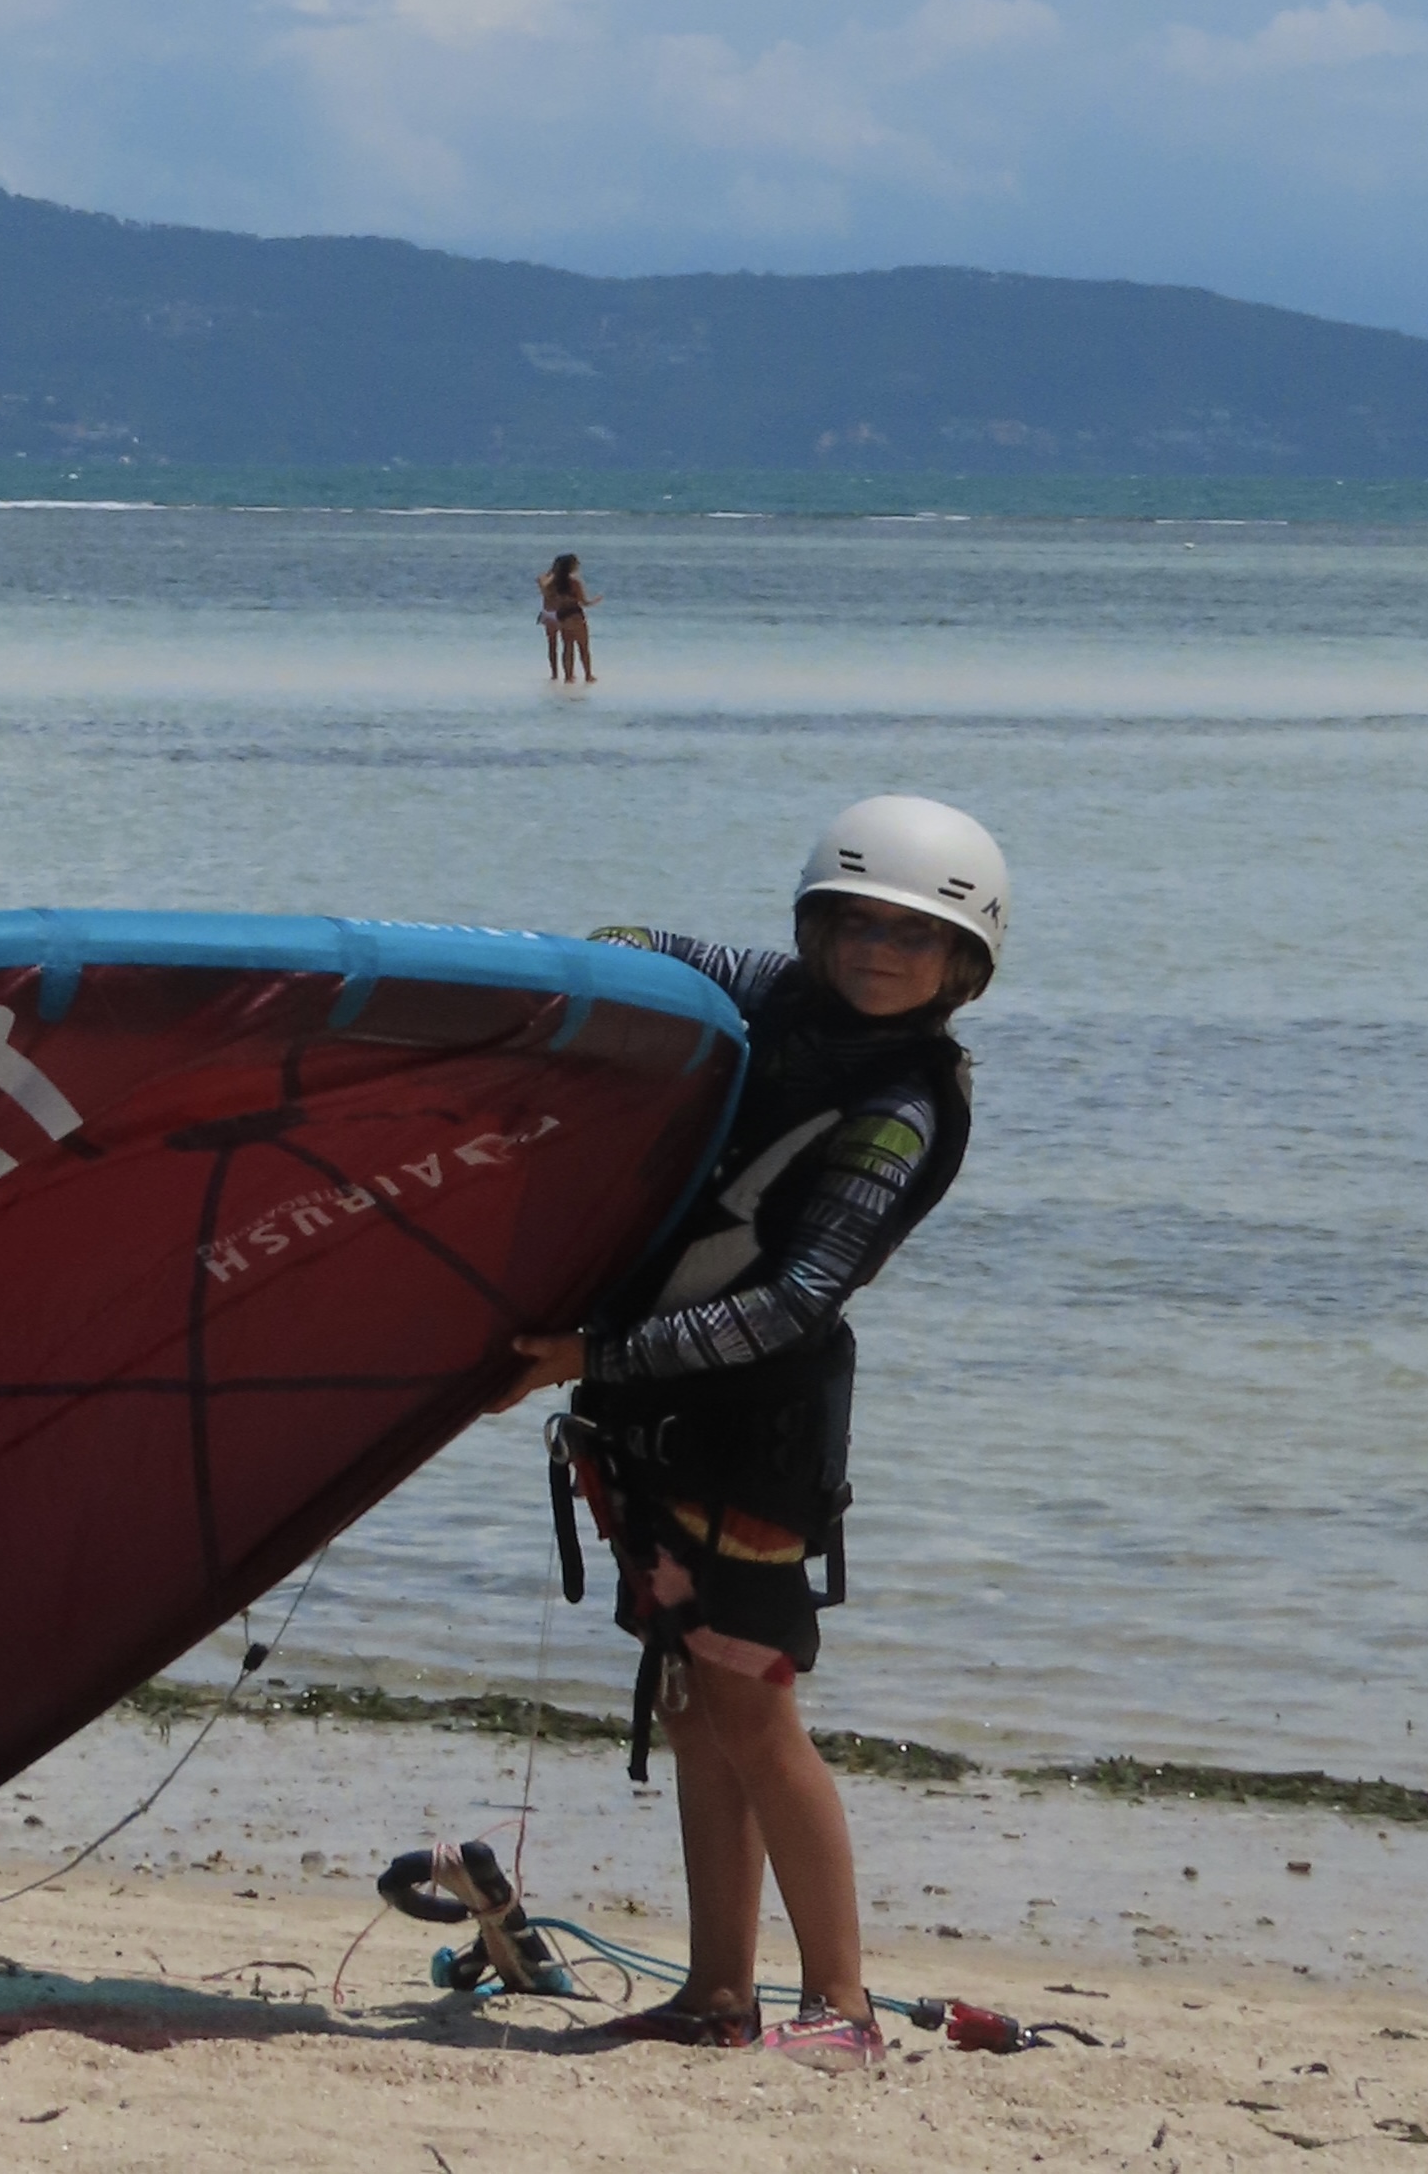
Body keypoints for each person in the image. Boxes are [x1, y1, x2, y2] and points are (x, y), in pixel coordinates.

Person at [490, 796, 1008, 2072]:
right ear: (814, 927)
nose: (881, 953)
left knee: (755, 1712)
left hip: (755, 1439)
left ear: (965, 964)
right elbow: (626, 939)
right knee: (689, 1705)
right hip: (651, 1427)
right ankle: (718, 1994)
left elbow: (793, 1302)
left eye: (916, 937)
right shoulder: (775, 992)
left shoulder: (904, 1106)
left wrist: (591, 1355)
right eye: (856, 924)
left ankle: (845, 2010)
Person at [539, 554, 600, 682]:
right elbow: (583, 602)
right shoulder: (574, 582)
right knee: (583, 647)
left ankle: (568, 676)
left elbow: (543, 587)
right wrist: (595, 601)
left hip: (562, 616)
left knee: (567, 647)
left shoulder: (553, 583)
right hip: (575, 615)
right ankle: (588, 675)